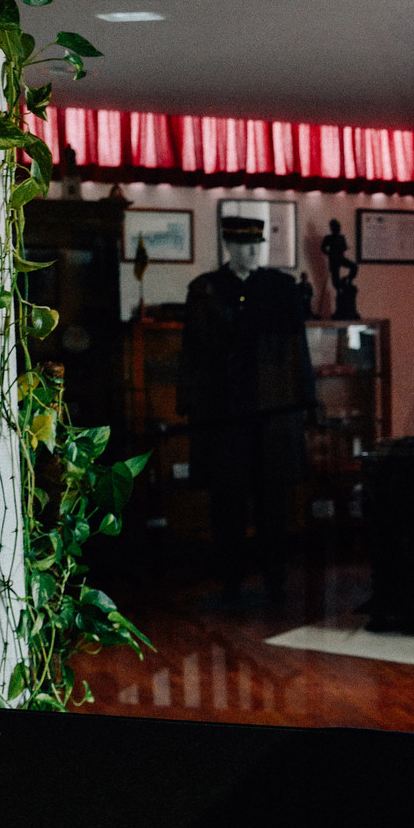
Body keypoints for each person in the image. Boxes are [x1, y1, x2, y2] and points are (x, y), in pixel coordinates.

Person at [183, 217, 315, 603]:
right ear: (228, 246)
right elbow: (193, 354)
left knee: (273, 501)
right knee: (227, 501)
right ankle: (231, 581)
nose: (251, 252)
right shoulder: (205, 289)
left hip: (272, 413)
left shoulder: (281, 288)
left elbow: (297, 348)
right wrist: (192, 405)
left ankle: (274, 580)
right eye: (243, 245)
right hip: (225, 414)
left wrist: (303, 401)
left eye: (257, 244)